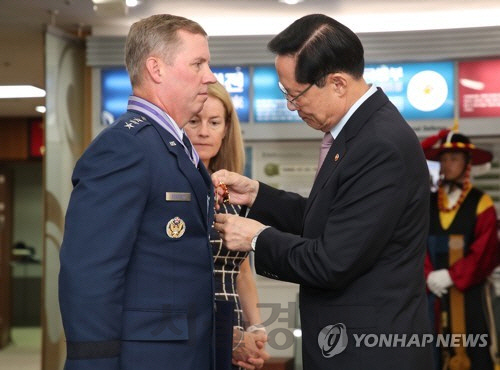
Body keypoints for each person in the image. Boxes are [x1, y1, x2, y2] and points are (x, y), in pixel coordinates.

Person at [212, 13, 434, 370]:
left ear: (338, 83)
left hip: (370, 353)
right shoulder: (358, 133)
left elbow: (332, 261)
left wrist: (257, 238)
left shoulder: (379, 146)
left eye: (295, 94)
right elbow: (330, 220)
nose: (290, 105)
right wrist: (258, 196)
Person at [58, 14, 219, 370]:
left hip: (183, 352)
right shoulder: (125, 147)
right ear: (156, 69)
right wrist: (94, 363)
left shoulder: (169, 145)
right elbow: (90, 272)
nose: (210, 76)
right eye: (198, 64)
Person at [184, 81, 269, 370]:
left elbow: (242, 269)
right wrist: (229, 338)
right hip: (187, 329)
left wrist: (255, 328)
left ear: (226, 129)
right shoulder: (173, 189)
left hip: (233, 325)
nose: (204, 131)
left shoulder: (234, 192)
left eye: (214, 122)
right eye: (194, 121)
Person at [423, 130, 499, 370]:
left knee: (473, 351)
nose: (448, 165)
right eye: (444, 159)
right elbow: (415, 243)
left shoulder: (481, 202)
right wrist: (428, 276)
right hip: (430, 294)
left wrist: (452, 276)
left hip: (470, 295)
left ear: (467, 163)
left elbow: (486, 250)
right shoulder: (427, 202)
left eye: (454, 158)